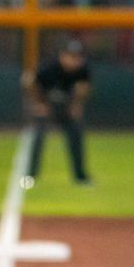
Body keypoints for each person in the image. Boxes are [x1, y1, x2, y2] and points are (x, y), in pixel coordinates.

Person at [22, 38, 93, 189]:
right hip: (46, 104)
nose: (75, 60)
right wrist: (39, 104)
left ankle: (80, 176)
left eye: (77, 57)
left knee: (76, 135)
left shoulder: (83, 69)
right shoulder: (49, 68)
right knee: (38, 137)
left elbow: (84, 88)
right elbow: (29, 82)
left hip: (66, 106)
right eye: (71, 56)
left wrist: (76, 105)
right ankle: (30, 176)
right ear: (63, 55)